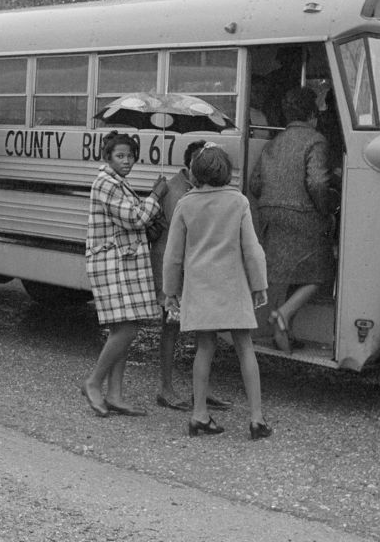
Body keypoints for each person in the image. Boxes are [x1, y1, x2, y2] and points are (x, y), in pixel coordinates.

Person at [163, 144, 272, 440]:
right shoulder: (238, 202)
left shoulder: (186, 204)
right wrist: (259, 284)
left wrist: (170, 291)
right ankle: (257, 418)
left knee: (205, 348)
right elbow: (252, 250)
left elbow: (173, 255)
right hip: (234, 285)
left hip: (200, 287)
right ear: (226, 172)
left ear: (195, 172)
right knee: (244, 347)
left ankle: (199, 414)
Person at [81, 131, 167, 417]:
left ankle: (115, 394)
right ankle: (94, 381)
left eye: (130, 156)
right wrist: (156, 196)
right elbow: (135, 218)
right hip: (111, 264)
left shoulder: (117, 182)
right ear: (108, 157)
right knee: (127, 329)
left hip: (120, 263)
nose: (127, 161)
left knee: (122, 329)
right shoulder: (106, 183)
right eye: (120, 156)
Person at [249, 86, 337, 353]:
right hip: (303, 215)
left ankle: (283, 335)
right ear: (312, 114)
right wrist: (328, 209)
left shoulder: (274, 142)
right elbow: (318, 183)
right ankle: (284, 314)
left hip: (270, 214)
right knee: (322, 272)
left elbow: (255, 183)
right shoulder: (316, 140)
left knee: (294, 273)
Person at [150, 139, 233, 412]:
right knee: (171, 328)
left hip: (194, 270)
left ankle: (203, 389)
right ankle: (165, 388)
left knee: (204, 332)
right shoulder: (176, 191)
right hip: (173, 270)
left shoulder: (197, 189)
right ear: (191, 165)